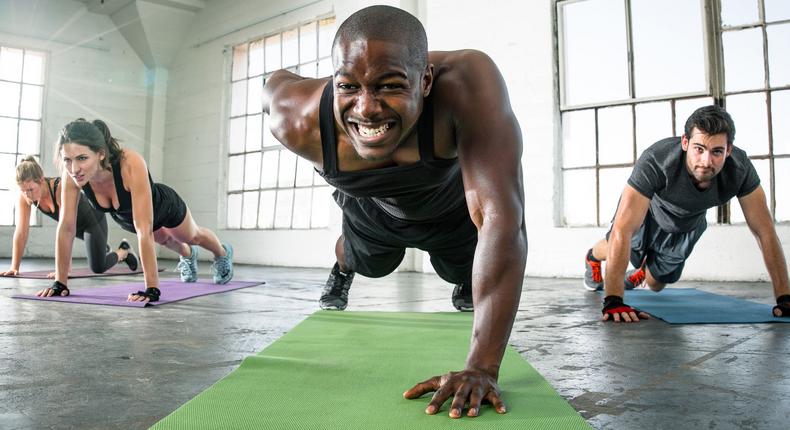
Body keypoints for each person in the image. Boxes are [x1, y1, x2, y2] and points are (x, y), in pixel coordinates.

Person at [263, 5, 526, 418]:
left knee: (466, 273)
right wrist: (302, 81)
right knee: (368, 263)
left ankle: (462, 281)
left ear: (425, 82)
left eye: (389, 86)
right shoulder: (295, 120)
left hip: (449, 211)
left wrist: (481, 368)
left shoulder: (467, 84)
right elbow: (276, 83)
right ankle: (344, 269)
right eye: (349, 86)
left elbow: (500, 219)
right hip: (370, 212)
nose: (367, 109)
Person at [583, 105, 790, 322]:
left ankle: (641, 272)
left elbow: (764, 231)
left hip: (686, 225)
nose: (706, 161)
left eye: (717, 152)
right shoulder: (657, 159)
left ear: (728, 150)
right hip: (648, 213)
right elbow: (623, 229)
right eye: (699, 149)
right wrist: (614, 300)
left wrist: (784, 298)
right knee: (624, 245)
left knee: (657, 284)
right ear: (685, 143)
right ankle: (592, 258)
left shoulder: (740, 170)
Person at [35, 119, 234, 302]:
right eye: (67, 159)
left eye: (82, 158)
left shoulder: (130, 163)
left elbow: (144, 230)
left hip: (163, 207)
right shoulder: (71, 175)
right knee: (167, 241)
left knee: (193, 236)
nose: (74, 168)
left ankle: (222, 254)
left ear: (101, 153)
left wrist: (152, 289)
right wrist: (60, 282)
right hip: (128, 218)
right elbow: (66, 228)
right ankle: (189, 256)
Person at [1, 156, 137, 277]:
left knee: (98, 267)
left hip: (92, 221)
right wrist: (14, 267)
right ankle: (101, 247)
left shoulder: (59, 188)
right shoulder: (25, 197)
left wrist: (64, 271)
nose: (28, 195)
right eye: (23, 191)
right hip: (75, 228)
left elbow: (66, 229)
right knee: (96, 249)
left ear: (41, 180)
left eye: (30, 189)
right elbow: (21, 232)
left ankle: (123, 251)